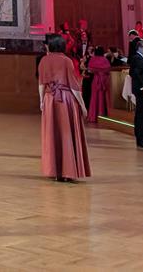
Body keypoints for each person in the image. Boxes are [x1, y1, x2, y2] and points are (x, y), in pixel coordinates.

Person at [38, 33, 92, 181]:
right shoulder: (67, 61)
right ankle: (68, 171)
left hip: (50, 99)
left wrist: (41, 101)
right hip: (66, 100)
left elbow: (41, 84)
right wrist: (82, 105)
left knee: (52, 134)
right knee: (67, 134)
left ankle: (55, 170)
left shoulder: (44, 60)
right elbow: (74, 86)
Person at [85, 45, 112, 123]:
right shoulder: (105, 59)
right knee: (103, 98)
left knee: (94, 98)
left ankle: (94, 116)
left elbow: (89, 70)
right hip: (104, 80)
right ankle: (103, 115)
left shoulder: (93, 59)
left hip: (96, 80)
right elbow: (108, 69)